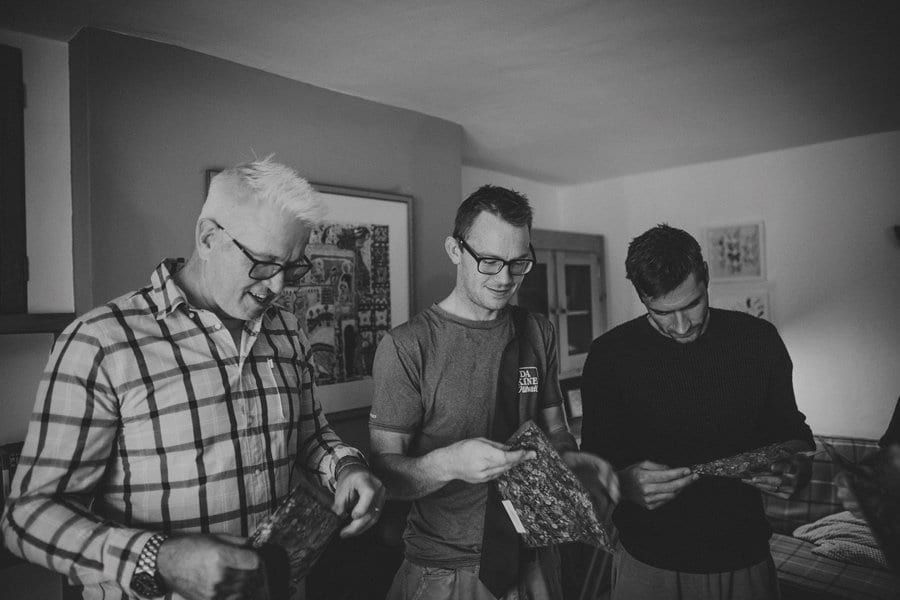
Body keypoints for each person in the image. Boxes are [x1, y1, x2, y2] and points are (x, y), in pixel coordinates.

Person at [1, 159, 385, 600]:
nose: (278, 286)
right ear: (207, 238)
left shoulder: (287, 330)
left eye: (294, 268)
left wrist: (347, 467)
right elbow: (26, 517)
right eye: (263, 263)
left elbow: (309, 432)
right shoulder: (101, 343)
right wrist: (159, 558)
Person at [369, 185, 619, 600]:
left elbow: (554, 428)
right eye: (489, 261)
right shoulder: (407, 347)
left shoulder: (538, 331)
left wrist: (571, 460)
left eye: (519, 262)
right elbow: (384, 475)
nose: (505, 278)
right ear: (454, 249)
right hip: (446, 569)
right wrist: (448, 463)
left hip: (535, 556)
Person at [580, 224, 814, 600]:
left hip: (744, 556)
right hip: (647, 562)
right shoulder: (609, 356)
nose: (681, 325)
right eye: (662, 313)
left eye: (692, 303)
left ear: (705, 277)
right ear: (642, 297)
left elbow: (793, 431)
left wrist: (795, 464)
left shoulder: (759, 340)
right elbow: (592, 465)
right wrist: (623, 484)